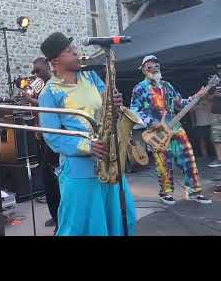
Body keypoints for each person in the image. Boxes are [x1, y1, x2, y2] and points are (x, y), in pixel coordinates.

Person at [38, 32, 136, 236]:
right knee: (80, 224)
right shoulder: (48, 93)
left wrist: (116, 104)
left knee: (120, 217)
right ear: (55, 60)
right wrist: (87, 146)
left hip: (110, 161)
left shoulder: (90, 76)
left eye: (73, 48)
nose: (76, 52)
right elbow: (52, 137)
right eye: (69, 51)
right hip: (79, 169)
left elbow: (107, 108)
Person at [130, 55, 211, 205]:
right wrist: (151, 122)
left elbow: (180, 103)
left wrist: (197, 96)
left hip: (176, 128)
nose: (154, 68)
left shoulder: (168, 86)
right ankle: (165, 193)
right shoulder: (139, 88)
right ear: (143, 70)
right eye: (149, 66)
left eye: (156, 65)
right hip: (157, 133)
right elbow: (134, 110)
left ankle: (194, 192)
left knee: (189, 159)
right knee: (163, 163)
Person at [20, 57, 61, 230]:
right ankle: (56, 215)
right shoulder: (41, 86)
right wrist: (37, 126)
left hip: (56, 137)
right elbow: (40, 110)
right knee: (47, 178)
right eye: (34, 72)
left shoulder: (55, 84)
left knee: (52, 177)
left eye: (38, 70)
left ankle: (60, 218)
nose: (36, 74)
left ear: (47, 65)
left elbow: (49, 107)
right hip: (45, 135)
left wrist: (30, 101)